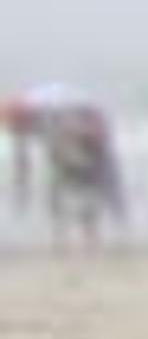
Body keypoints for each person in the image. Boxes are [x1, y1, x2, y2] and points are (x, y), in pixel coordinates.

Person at [6, 83, 126, 254]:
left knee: (88, 191)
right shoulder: (31, 114)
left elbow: (81, 136)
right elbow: (22, 160)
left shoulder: (48, 111)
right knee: (59, 193)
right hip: (73, 145)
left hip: (87, 143)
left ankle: (90, 239)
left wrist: (80, 153)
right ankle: (64, 240)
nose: (12, 130)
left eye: (12, 125)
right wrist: (21, 191)